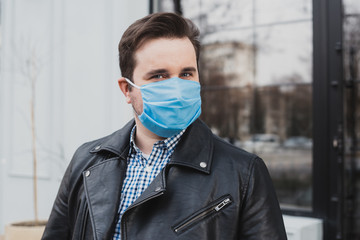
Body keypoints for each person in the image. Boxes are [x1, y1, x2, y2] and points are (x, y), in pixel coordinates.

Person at [42, 12, 287, 240]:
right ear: (127, 89)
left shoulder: (244, 172)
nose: (177, 88)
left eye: (187, 74)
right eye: (158, 76)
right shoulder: (87, 161)